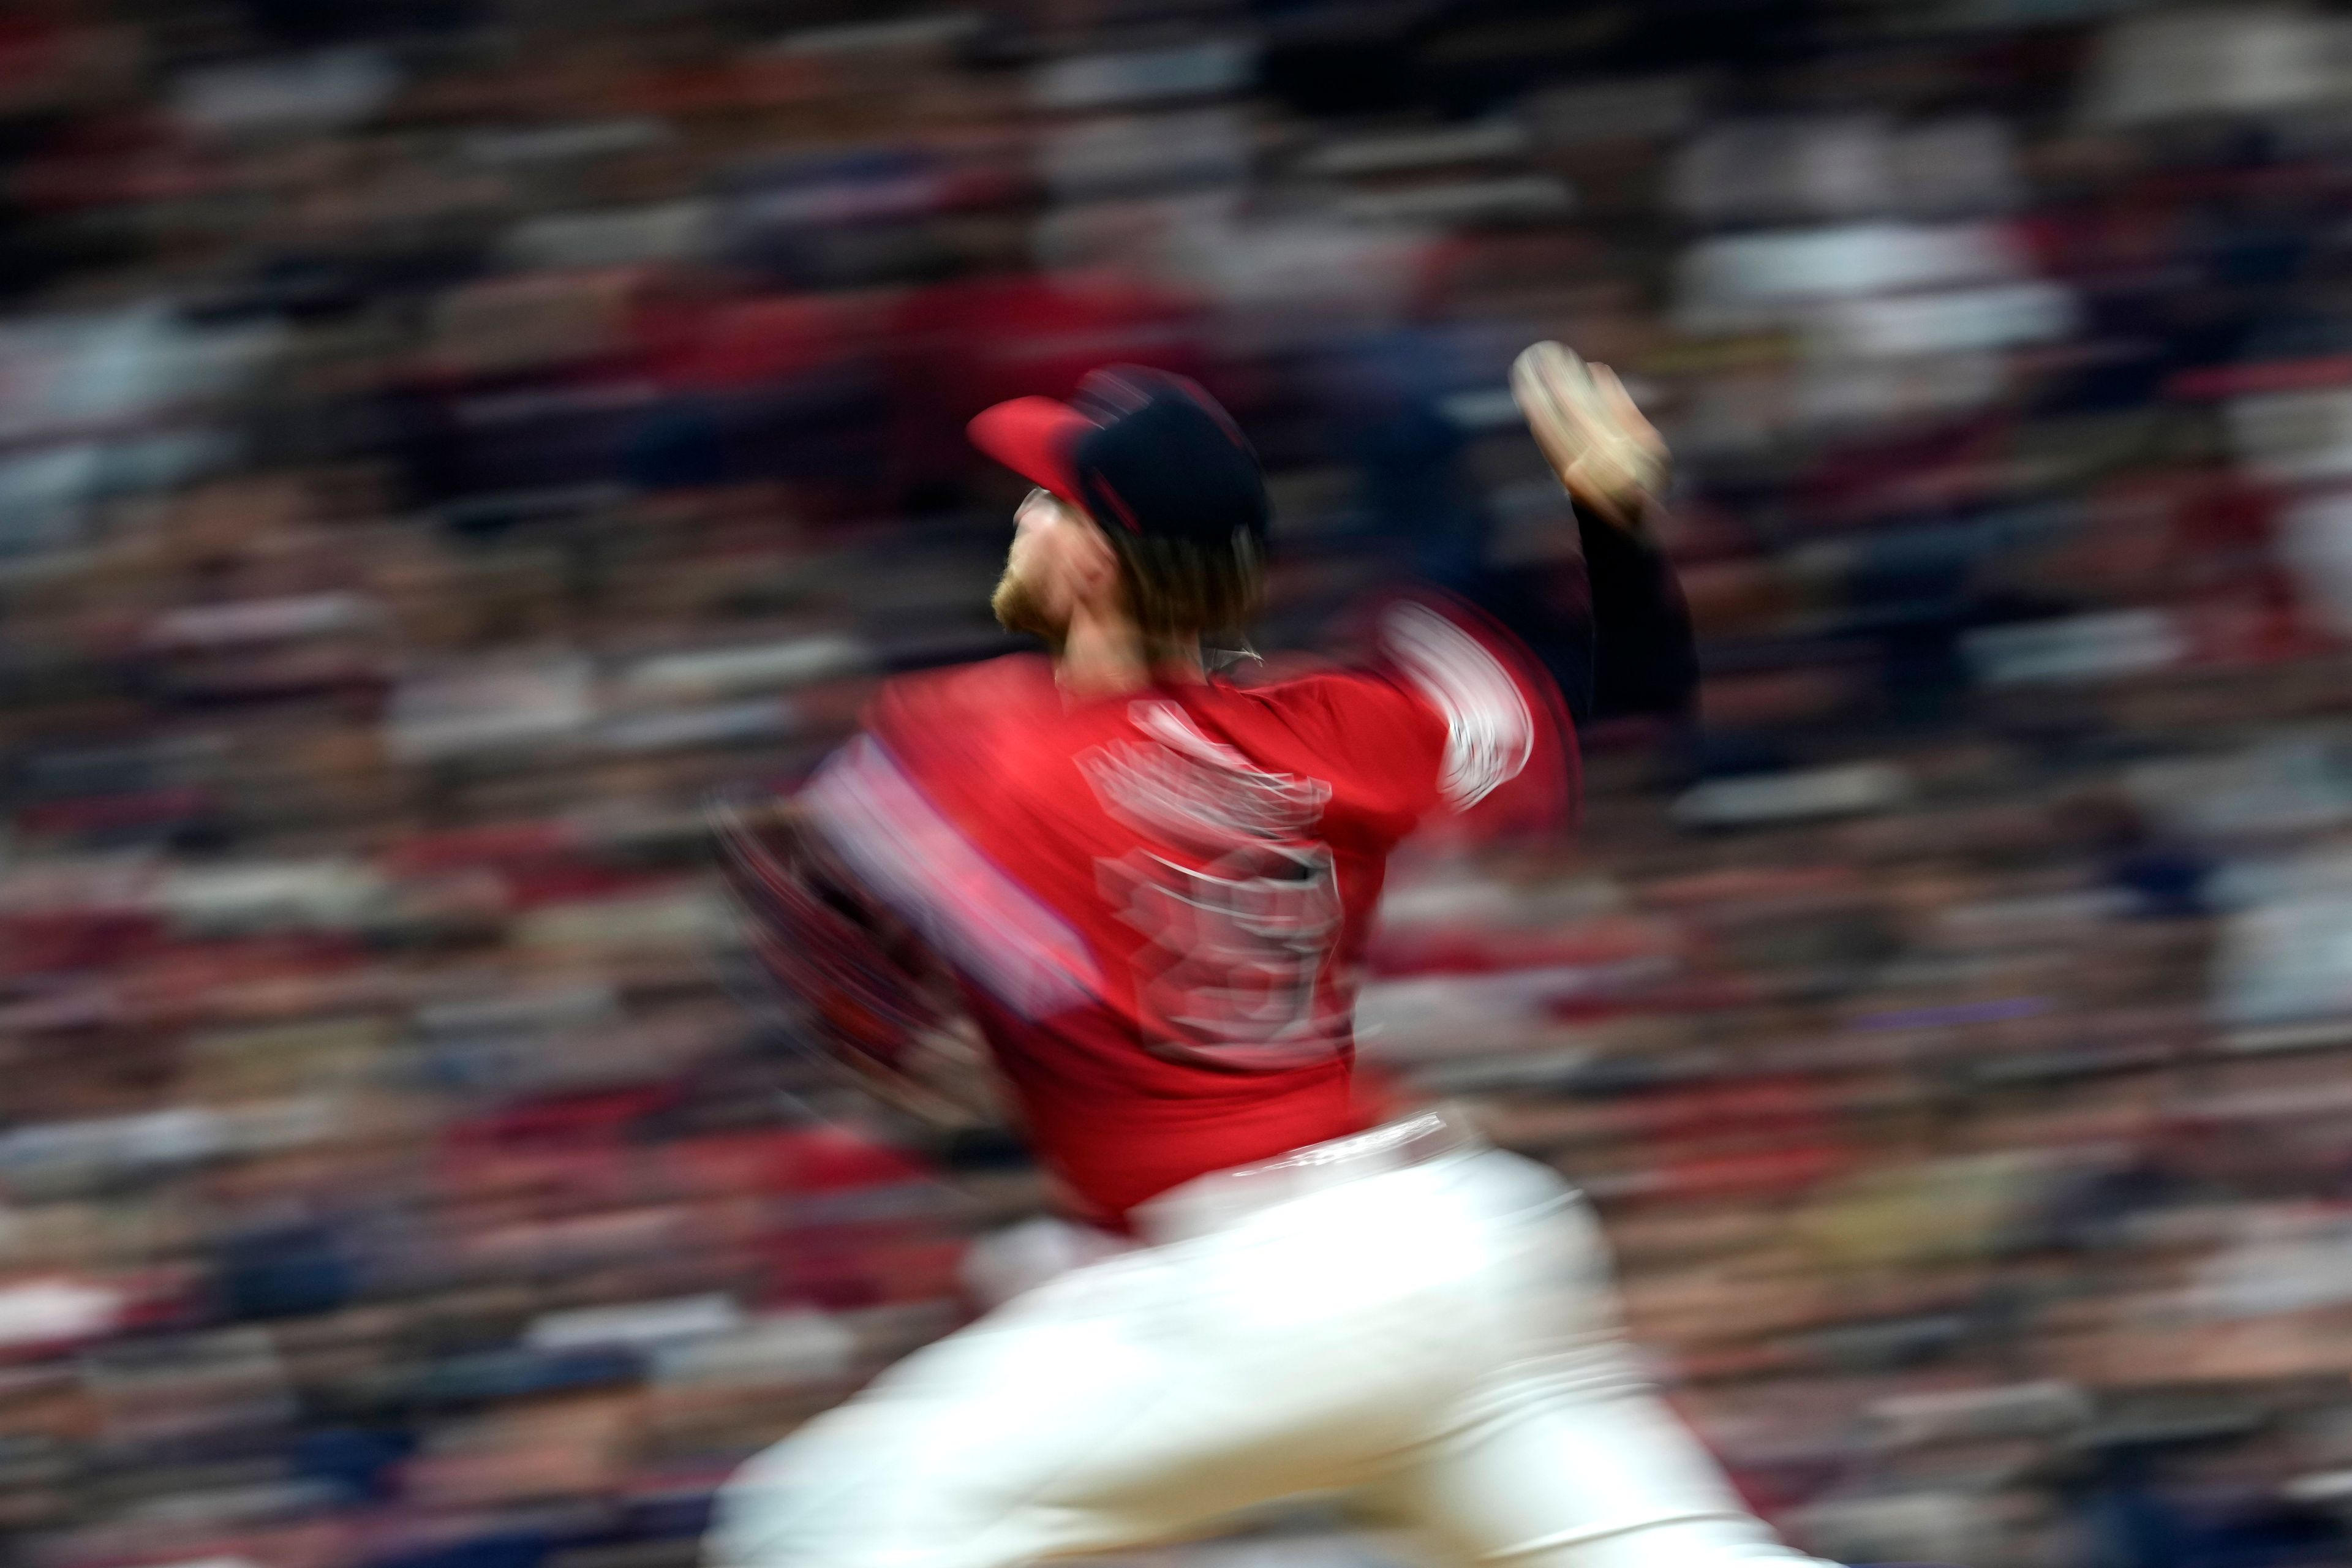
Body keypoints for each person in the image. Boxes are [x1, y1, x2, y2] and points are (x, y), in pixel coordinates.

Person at [706, 347, 1836, 1568]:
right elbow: (1632, 701)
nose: (1023, 515)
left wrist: (846, 974)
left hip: (1259, 1293)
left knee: (817, 1523)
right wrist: (1613, 515)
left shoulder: (965, 739)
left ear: (1092, 557)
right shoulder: (1352, 725)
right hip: (1466, 1256)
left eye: (1047, 499)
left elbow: (853, 961)